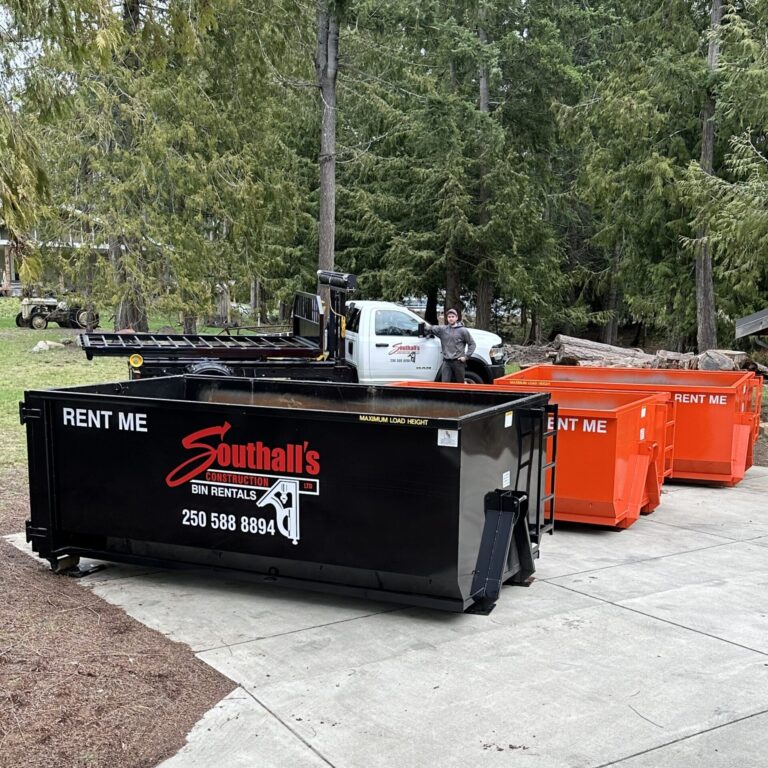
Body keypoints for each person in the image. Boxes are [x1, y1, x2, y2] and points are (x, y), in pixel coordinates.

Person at [425, 308, 476, 382]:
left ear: (456, 318)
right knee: (445, 385)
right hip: (446, 362)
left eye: (452, 317)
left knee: (460, 385)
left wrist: (466, 357)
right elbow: (431, 328)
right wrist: (421, 326)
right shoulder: (443, 330)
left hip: (459, 362)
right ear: (447, 318)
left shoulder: (463, 331)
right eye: (449, 317)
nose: (451, 318)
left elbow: (472, 344)